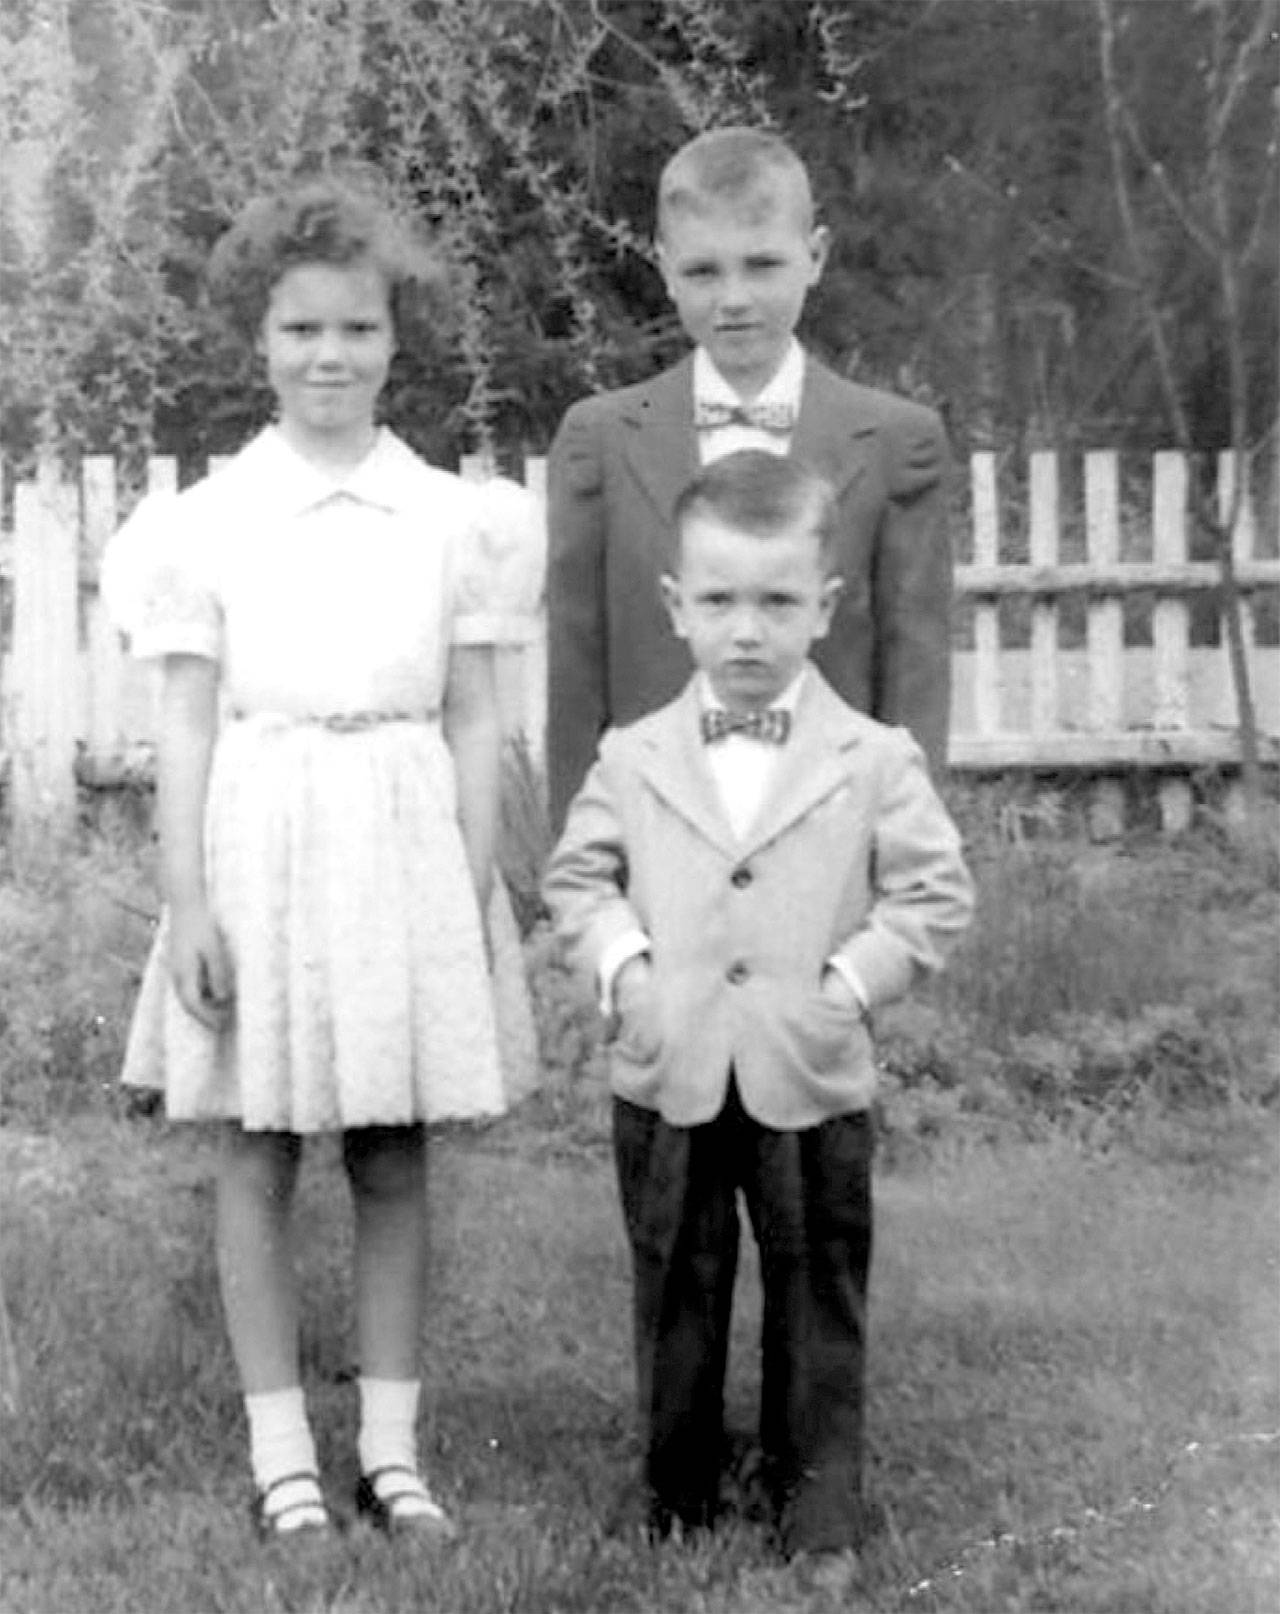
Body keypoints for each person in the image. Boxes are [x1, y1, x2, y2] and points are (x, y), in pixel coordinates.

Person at [102, 176, 539, 1541]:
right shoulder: (208, 521)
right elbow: (187, 721)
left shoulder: (453, 518)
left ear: (396, 338)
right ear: (261, 339)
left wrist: (469, 884)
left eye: (356, 328)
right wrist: (187, 899)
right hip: (263, 840)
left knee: (395, 1151)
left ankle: (391, 1452)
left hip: (405, 837)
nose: (329, 356)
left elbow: (475, 716)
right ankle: (283, 1452)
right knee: (257, 1148)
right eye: (301, 330)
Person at [542, 451, 973, 1574]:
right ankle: (674, 1489)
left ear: (824, 608)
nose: (747, 632)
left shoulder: (873, 758)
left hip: (809, 1071)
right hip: (669, 1065)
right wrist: (628, 970)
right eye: (720, 601)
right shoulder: (632, 754)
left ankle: (817, 1503)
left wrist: (847, 987)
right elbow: (576, 880)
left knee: (817, 1288)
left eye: (778, 603)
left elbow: (933, 895)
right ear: (675, 606)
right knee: (673, 1284)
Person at [545, 124, 953, 833]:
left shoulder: (895, 443)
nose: (733, 298)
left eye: (762, 265)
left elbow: (915, 675)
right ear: (665, 268)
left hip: (831, 831)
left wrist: (905, 855)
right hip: (657, 832)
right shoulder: (601, 440)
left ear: (815, 256)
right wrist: (584, 860)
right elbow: (577, 677)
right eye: (704, 272)